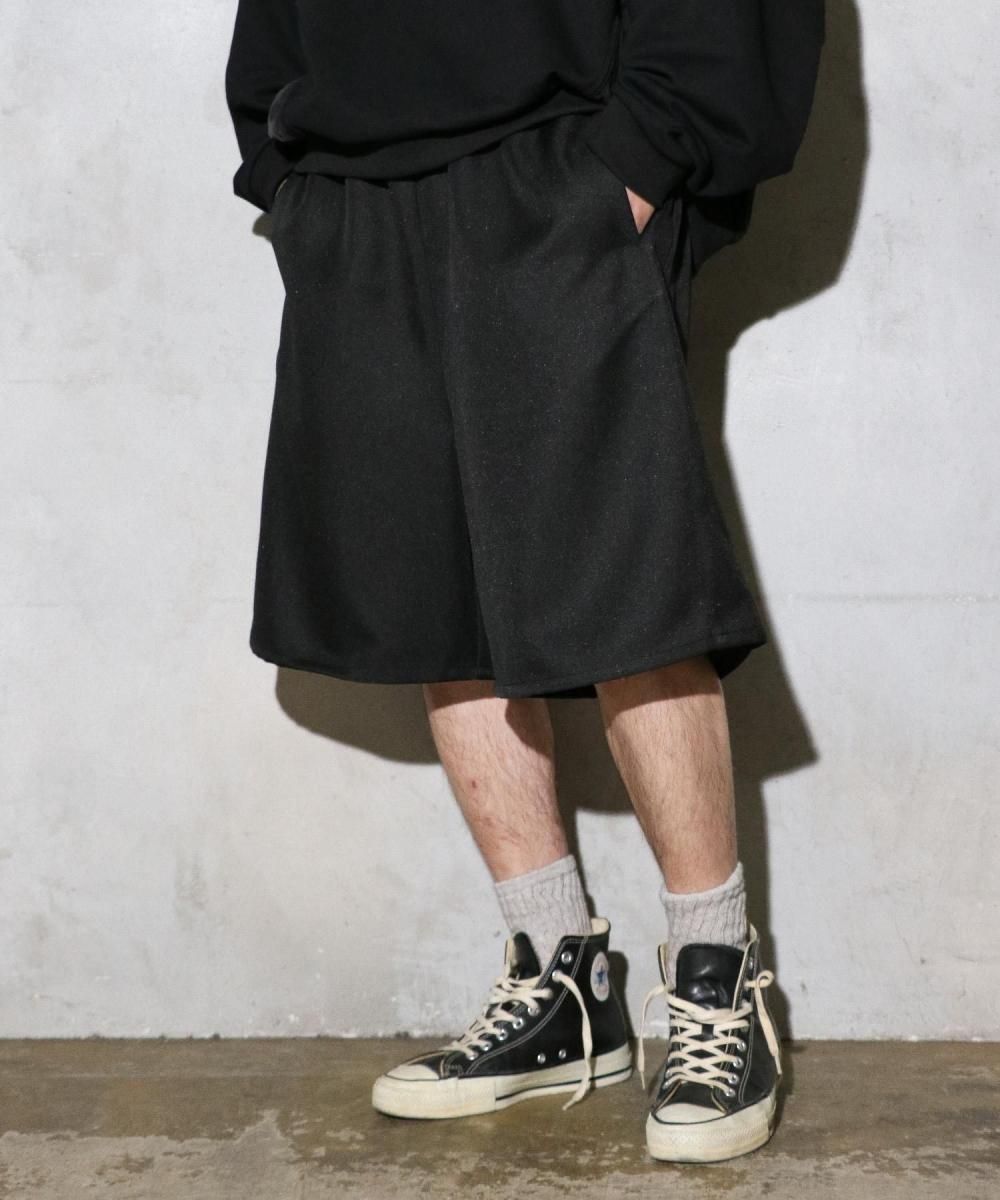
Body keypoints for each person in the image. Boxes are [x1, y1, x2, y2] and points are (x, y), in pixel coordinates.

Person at [225, 0, 824, 1164]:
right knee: (432, 590)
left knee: (623, 585)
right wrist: (286, 171)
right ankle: (559, 985)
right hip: (352, 181)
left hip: (560, 162)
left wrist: (642, 156)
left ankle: (716, 983)